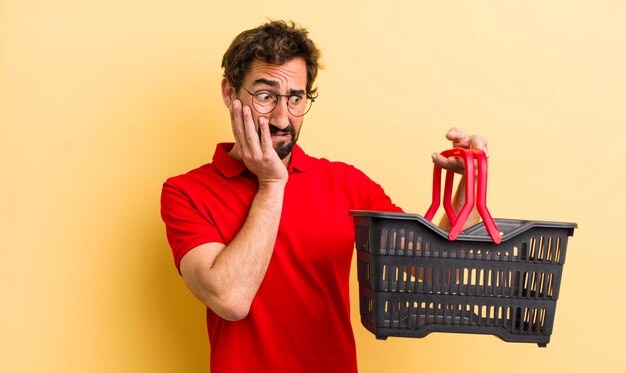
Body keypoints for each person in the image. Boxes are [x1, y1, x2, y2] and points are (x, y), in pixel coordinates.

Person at [160, 20, 488, 373]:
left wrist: (470, 183)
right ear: (230, 93)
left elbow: (434, 272)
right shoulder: (185, 192)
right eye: (265, 96)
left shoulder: (347, 184)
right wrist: (272, 183)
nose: (282, 118)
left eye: (296, 98)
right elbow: (231, 299)